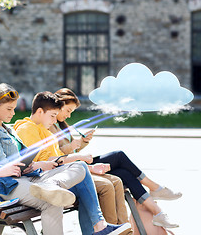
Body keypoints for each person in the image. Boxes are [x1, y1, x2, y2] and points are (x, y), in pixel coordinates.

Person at [0, 84, 131, 235]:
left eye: (13, 108)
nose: (13, 113)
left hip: (30, 175)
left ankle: (99, 226)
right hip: (12, 183)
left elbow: (24, 158)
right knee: (55, 199)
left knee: (81, 168)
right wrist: (30, 165)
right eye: (9, 109)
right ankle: (56, 191)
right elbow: (3, 164)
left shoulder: (9, 130)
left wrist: (36, 164)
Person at [51, 88, 181, 229]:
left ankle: (155, 214)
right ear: (59, 105)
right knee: (119, 156)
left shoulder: (61, 125)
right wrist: (72, 146)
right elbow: (55, 156)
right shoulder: (50, 125)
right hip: (75, 169)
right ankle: (154, 188)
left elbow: (73, 151)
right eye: (68, 111)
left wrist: (83, 142)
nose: (69, 115)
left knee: (125, 174)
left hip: (79, 164)